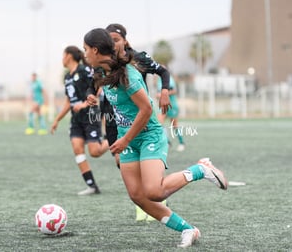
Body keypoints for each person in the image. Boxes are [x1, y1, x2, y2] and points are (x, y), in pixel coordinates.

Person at [83, 28, 228, 248]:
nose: (84, 54)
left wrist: (124, 140)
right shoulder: (101, 71)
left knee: (154, 192)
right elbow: (93, 85)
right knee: (138, 196)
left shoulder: (128, 76)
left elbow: (146, 111)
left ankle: (200, 170)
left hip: (148, 133)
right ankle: (188, 229)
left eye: (85, 49)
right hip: (127, 138)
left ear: (95, 50)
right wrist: (92, 96)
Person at [89, 23, 172, 221]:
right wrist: (91, 95)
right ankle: (143, 201)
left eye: (116, 40)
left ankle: (153, 200)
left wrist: (165, 91)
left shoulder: (137, 60)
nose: (113, 44)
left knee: (147, 174)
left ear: (125, 40)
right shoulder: (101, 65)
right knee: (121, 162)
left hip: (139, 118)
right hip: (114, 120)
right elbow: (93, 84)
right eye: (110, 41)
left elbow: (163, 72)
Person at [51, 45, 109, 196]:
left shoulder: (84, 71)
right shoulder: (67, 77)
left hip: (90, 114)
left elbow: (99, 87)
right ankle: (92, 186)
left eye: (63, 55)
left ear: (69, 56)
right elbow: (68, 102)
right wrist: (57, 119)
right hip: (76, 119)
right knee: (77, 148)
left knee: (95, 152)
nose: (62, 58)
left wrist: (84, 104)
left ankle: (111, 140)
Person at [157, 73, 185, 152]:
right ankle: (167, 142)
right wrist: (158, 95)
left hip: (171, 105)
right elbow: (158, 92)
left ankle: (181, 143)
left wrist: (164, 94)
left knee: (174, 125)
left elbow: (174, 90)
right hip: (163, 106)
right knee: (159, 123)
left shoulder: (169, 79)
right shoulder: (159, 81)